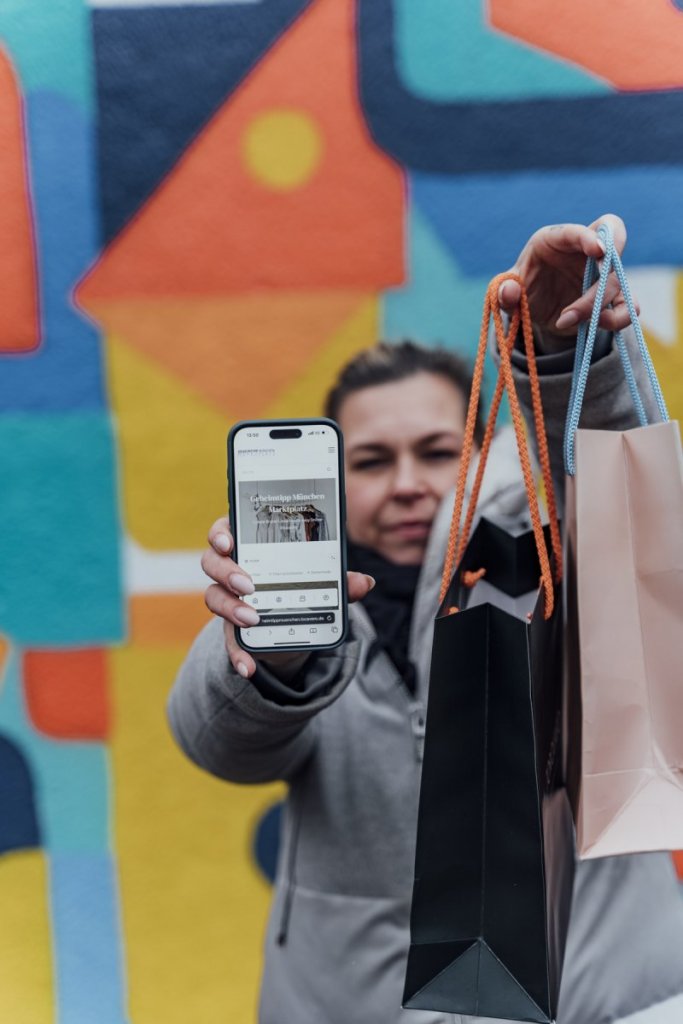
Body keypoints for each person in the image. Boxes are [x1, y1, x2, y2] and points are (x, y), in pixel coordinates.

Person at [168, 215, 683, 1024]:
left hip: (607, 994)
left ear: (483, 453)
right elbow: (218, 746)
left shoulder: (556, 557)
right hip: (355, 999)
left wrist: (552, 362)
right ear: (333, 483)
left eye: (437, 451)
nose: (407, 483)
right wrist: (265, 651)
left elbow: (623, 515)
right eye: (371, 461)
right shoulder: (293, 600)